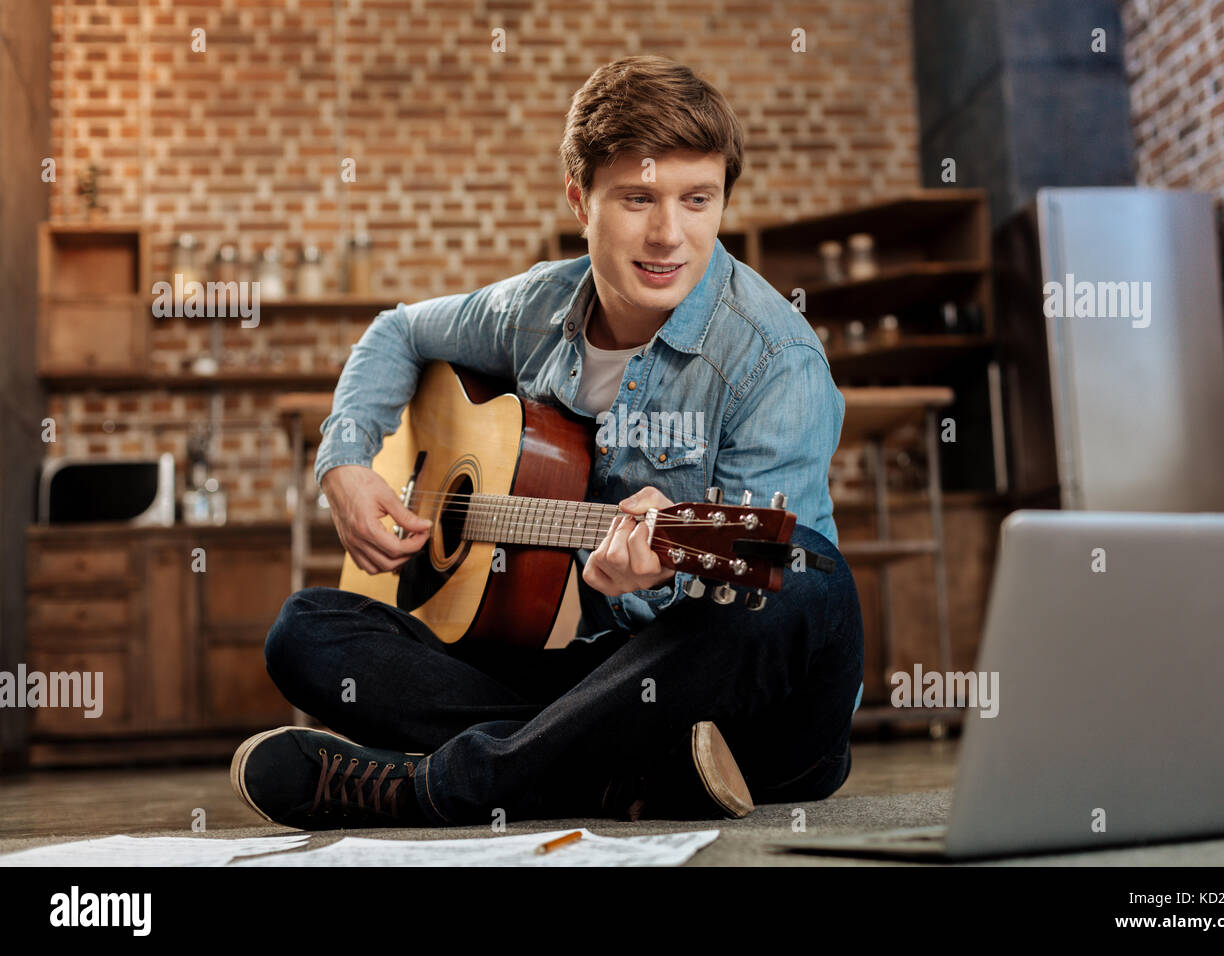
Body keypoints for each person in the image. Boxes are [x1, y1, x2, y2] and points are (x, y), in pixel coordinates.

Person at [230, 54, 865, 830]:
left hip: (759, 717)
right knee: (308, 632)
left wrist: (654, 579)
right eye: (638, 199)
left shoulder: (774, 358)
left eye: (698, 200)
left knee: (804, 569)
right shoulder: (535, 307)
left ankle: (437, 786)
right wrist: (347, 460)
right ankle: (607, 777)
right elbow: (396, 330)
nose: (670, 235)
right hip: (600, 687)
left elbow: (750, 603)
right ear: (580, 199)